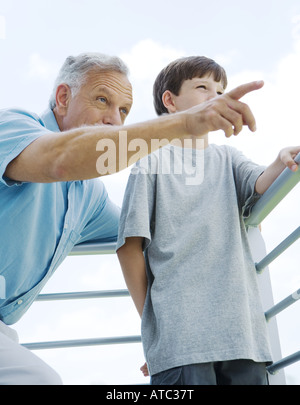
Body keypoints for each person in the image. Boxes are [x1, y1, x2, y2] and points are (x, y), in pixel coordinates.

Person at [0, 51, 277, 385]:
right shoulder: (13, 126)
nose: (114, 120)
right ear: (63, 97)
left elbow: (159, 227)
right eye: (103, 100)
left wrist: (240, 211)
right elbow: (61, 159)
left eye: (124, 111)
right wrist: (187, 124)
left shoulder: (89, 197)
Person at [116, 55, 300, 385]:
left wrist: (282, 159)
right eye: (202, 87)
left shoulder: (228, 157)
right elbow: (129, 247)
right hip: (181, 340)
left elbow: (259, 181)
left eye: (220, 90)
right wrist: (153, 328)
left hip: (243, 337)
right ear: (170, 101)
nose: (215, 96)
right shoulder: (151, 162)